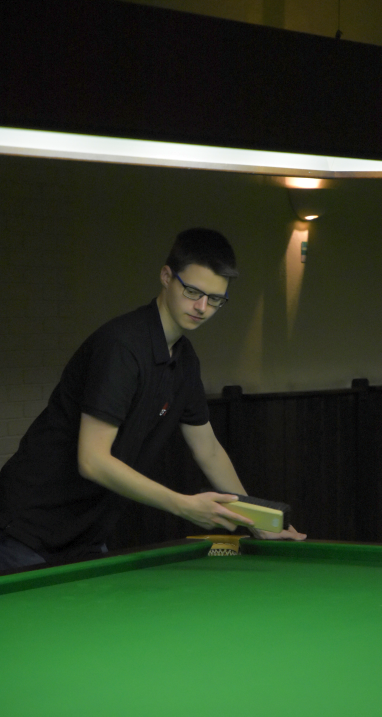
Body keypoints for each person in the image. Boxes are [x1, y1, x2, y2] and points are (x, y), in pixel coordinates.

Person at [0, 228, 306, 571]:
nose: (202, 307)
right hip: (24, 529)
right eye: (193, 291)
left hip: (86, 536)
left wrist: (258, 523)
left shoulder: (185, 362)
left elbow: (209, 450)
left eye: (215, 299)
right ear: (166, 276)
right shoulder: (122, 347)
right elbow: (93, 460)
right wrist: (183, 505)